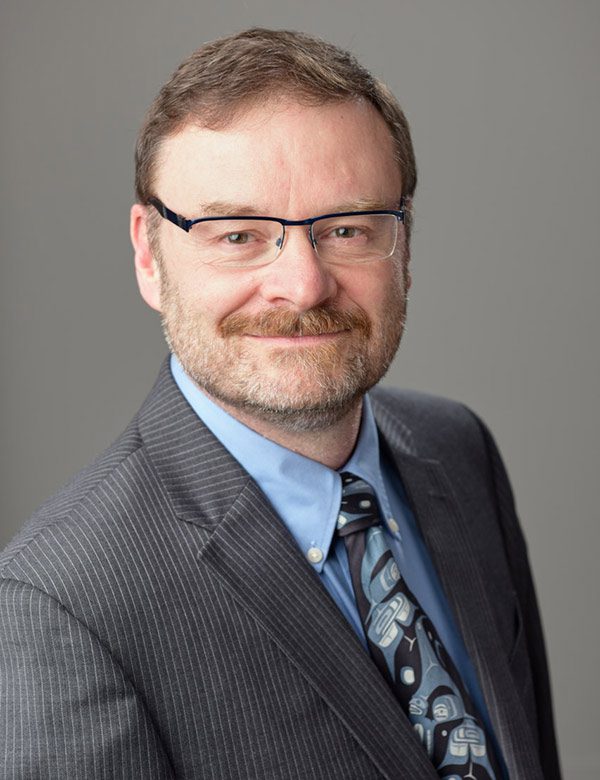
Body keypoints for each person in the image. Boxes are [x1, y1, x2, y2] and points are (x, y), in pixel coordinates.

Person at [0, 28, 560, 780]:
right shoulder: (62, 605)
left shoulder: (457, 452)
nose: (303, 286)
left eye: (347, 229)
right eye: (237, 234)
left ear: (405, 245)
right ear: (148, 255)